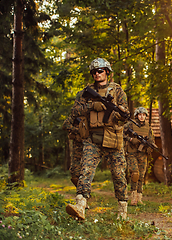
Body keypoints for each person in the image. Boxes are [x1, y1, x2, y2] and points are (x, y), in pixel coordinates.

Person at [65, 57, 129, 220]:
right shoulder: (85, 93)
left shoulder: (118, 90)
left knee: (119, 174)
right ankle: (80, 205)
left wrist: (120, 114)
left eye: (100, 71)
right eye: (94, 71)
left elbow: (125, 115)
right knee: (85, 172)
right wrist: (91, 106)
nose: (97, 74)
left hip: (113, 138)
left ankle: (122, 210)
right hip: (92, 139)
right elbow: (75, 111)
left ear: (107, 72)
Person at [123, 107, 155, 206]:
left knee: (141, 176)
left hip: (143, 154)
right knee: (135, 174)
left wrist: (151, 146)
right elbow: (121, 134)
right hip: (132, 152)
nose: (142, 117)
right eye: (140, 115)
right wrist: (131, 140)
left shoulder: (148, 127)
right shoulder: (130, 125)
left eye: (143, 115)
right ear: (137, 115)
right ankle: (133, 198)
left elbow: (151, 139)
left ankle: (139, 198)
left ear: (146, 116)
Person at [62, 110, 84, 188]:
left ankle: (84, 191)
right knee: (74, 173)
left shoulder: (92, 114)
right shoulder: (75, 115)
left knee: (87, 171)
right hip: (78, 148)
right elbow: (65, 125)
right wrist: (78, 131)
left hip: (90, 146)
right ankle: (81, 190)